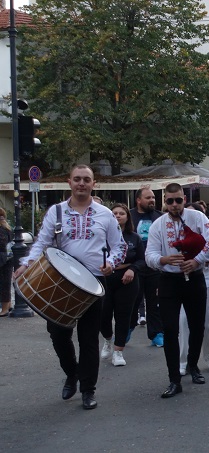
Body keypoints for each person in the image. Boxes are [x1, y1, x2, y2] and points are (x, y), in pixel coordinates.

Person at [15, 165, 126, 410]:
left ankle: (88, 390)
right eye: (77, 179)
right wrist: (25, 264)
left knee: (88, 339)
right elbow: (41, 243)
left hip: (94, 282)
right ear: (69, 182)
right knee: (58, 334)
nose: (82, 184)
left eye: (87, 180)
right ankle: (72, 373)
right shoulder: (55, 213)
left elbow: (120, 247)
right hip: (60, 280)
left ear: (94, 184)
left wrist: (112, 263)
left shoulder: (106, 214)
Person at [145, 183, 209, 398]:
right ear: (165, 202)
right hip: (169, 280)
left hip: (194, 278)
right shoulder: (158, 225)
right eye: (170, 201)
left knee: (198, 326)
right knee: (170, 329)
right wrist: (163, 259)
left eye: (178, 200)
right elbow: (149, 254)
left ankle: (193, 365)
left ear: (184, 199)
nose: (175, 205)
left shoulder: (197, 218)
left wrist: (197, 261)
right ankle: (174, 379)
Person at [178, 204, 209, 375]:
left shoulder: (203, 226)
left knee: (206, 319)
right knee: (183, 321)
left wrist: (197, 260)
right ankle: (184, 360)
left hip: (201, 276)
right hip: (180, 279)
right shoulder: (170, 226)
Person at [100, 204, 145, 367]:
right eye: (114, 213)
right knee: (103, 315)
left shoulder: (134, 237)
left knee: (123, 315)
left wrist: (133, 269)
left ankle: (118, 351)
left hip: (127, 278)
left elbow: (142, 259)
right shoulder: (101, 236)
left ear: (127, 216)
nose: (118, 216)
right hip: (105, 278)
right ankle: (107, 339)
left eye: (121, 213)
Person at [130, 188, 164, 347]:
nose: (152, 200)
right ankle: (127, 329)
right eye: (148, 197)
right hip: (134, 268)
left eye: (153, 197)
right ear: (138, 200)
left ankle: (156, 333)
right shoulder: (129, 216)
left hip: (155, 269)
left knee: (155, 303)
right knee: (132, 302)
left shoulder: (160, 217)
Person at [0, 208, 13, 316]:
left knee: (4, 284)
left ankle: (4, 309)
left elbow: (2, 244)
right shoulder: (7, 227)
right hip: (7, 259)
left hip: (3, 259)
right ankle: (8, 306)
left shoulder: (2, 229)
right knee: (6, 284)